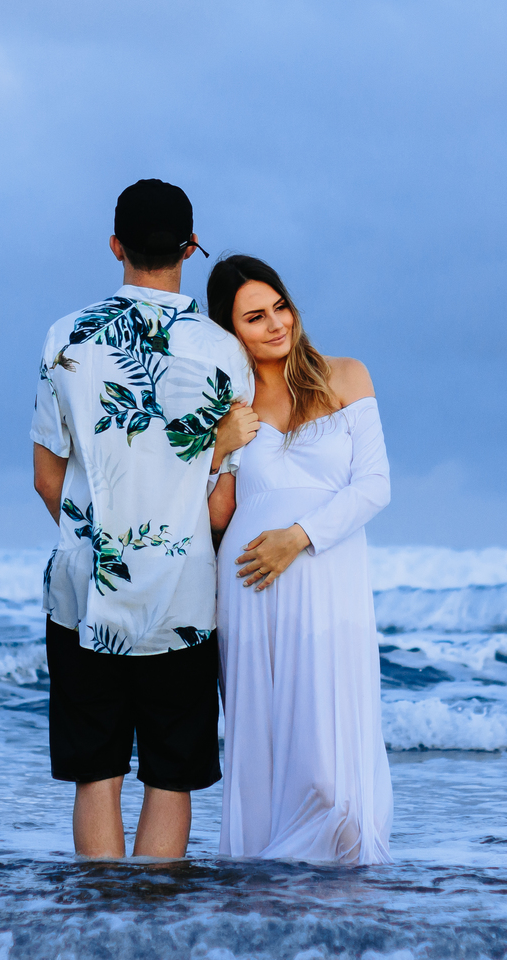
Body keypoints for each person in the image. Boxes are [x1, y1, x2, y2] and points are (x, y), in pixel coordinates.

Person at [30, 180, 256, 859]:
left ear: (115, 246)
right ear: (190, 247)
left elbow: (46, 477)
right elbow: (222, 505)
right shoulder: (224, 352)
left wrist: (101, 537)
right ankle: (155, 917)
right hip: (181, 593)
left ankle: (100, 916)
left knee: (96, 774)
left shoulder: (66, 336)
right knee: (170, 778)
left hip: (83, 588)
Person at [206, 254, 394, 865]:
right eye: (254, 317)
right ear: (230, 330)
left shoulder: (346, 376)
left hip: (328, 579)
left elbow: (375, 487)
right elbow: (214, 513)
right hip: (250, 589)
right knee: (261, 748)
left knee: (329, 769)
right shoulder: (230, 404)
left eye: (279, 307)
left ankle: (341, 881)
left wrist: (300, 536)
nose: (275, 324)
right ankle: (264, 892)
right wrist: (216, 451)